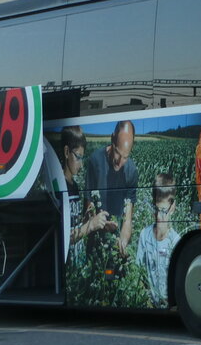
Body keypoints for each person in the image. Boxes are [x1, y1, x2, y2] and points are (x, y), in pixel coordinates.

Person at [86, 120, 138, 254]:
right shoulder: (95, 161)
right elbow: (88, 206)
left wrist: (123, 241)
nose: (120, 162)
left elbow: (128, 218)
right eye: (117, 153)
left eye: (125, 157)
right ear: (112, 139)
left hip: (116, 240)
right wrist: (100, 224)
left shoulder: (132, 171)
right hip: (95, 240)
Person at [57, 125, 110, 250]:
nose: (81, 165)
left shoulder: (74, 186)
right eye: (78, 157)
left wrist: (89, 219)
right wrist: (90, 225)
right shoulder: (58, 187)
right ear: (66, 152)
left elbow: (75, 227)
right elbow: (64, 237)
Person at [135, 173, 180, 307]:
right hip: (148, 304)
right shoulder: (145, 235)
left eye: (164, 211)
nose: (159, 216)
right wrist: (146, 300)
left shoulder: (176, 241)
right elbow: (138, 271)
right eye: (156, 209)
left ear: (172, 208)